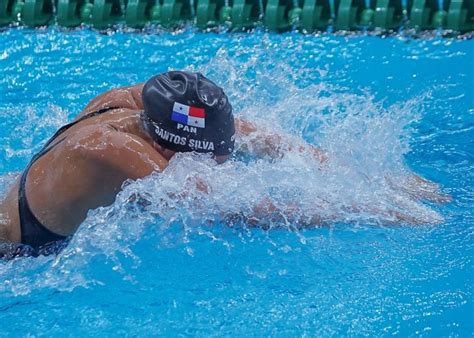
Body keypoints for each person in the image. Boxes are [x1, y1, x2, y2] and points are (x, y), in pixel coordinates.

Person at [0, 71, 448, 259]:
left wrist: (378, 179)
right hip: (17, 251)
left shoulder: (141, 100)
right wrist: (370, 211)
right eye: (206, 159)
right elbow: (239, 210)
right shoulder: (116, 152)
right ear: (174, 148)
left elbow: (265, 138)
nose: (216, 165)